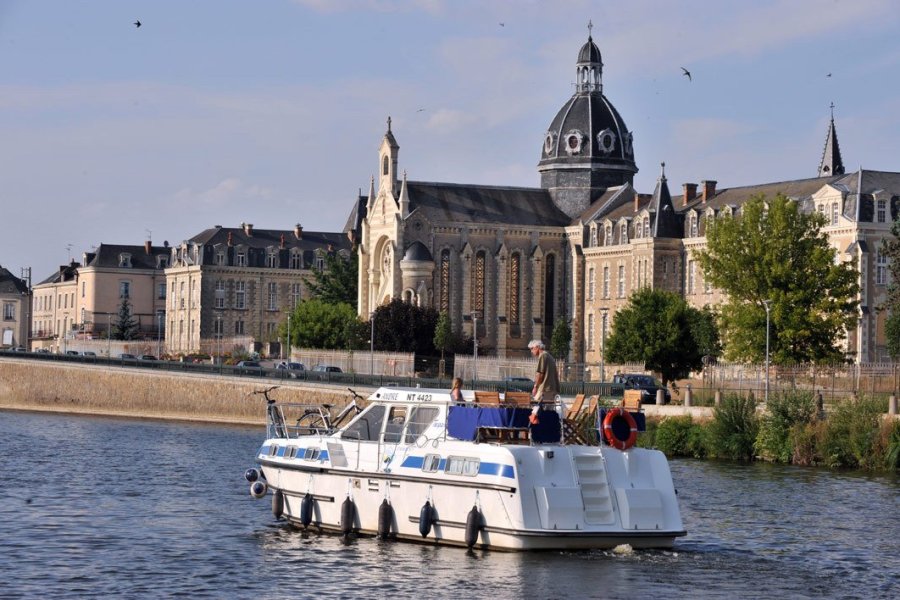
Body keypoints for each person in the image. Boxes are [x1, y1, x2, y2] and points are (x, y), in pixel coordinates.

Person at [528, 339, 559, 424]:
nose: (531, 351)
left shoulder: (542, 356)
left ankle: (534, 430)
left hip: (545, 389)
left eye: (532, 348)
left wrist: (535, 387)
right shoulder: (549, 356)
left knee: (535, 409)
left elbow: (540, 374)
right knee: (547, 413)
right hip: (552, 389)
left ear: (537, 347)